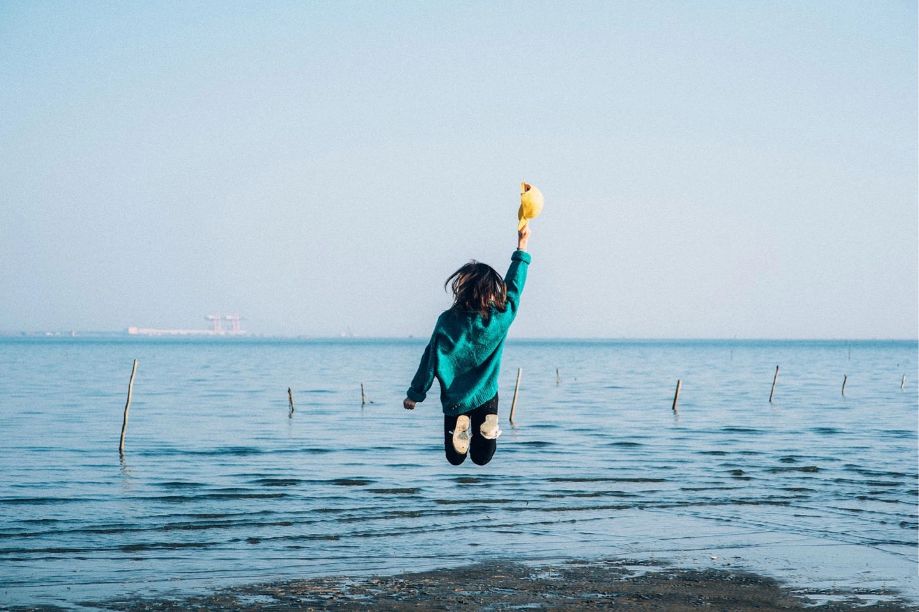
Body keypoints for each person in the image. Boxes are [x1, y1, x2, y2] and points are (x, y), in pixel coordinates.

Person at [403, 225, 532, 466]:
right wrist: (521, 248)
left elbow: (430, 359)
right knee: (483, 458)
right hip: (486, 394)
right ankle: (487, 429)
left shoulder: (447, 320)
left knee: (455, 458)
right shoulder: (500, 318)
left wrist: (415, 394)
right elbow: (514, 288)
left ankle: (461, 426)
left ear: (462, 290)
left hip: (456, 399)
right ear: (492, 291)